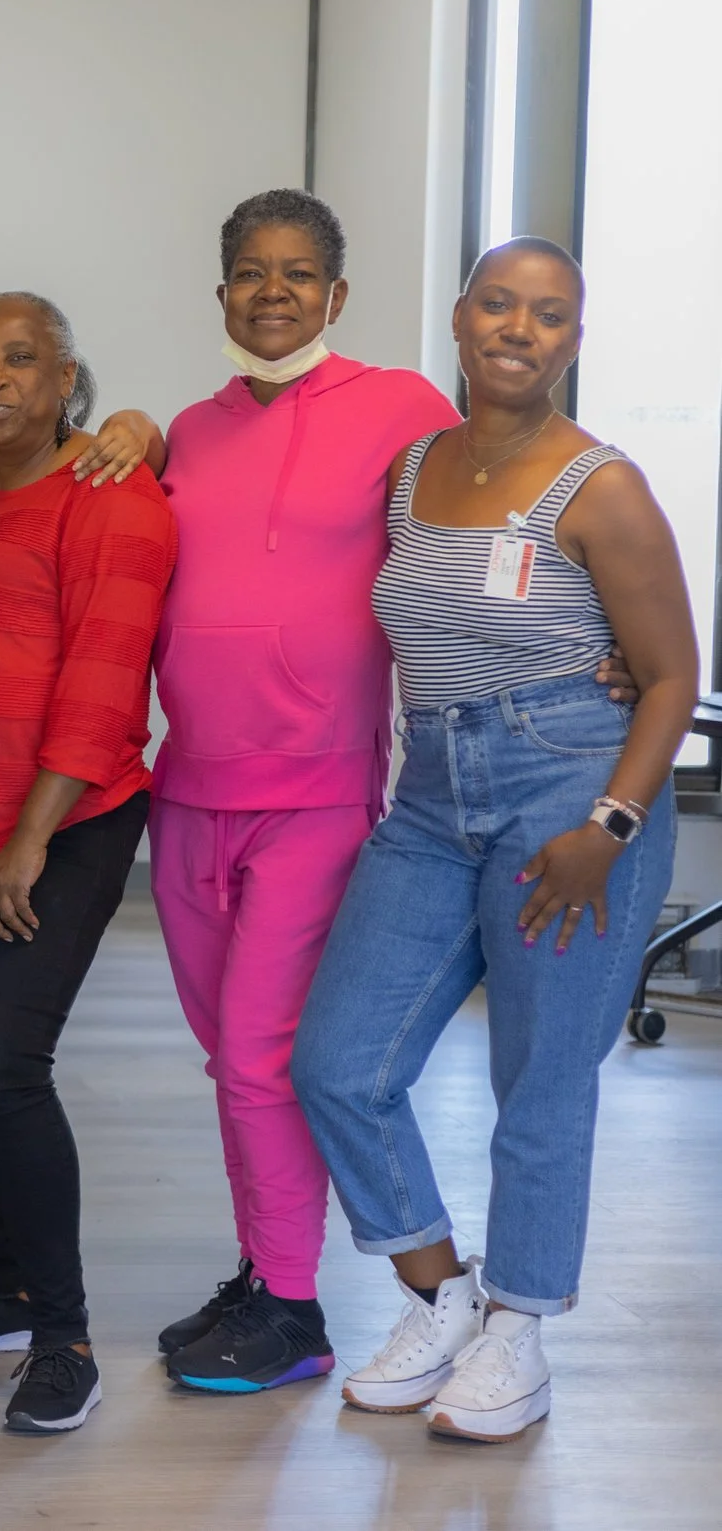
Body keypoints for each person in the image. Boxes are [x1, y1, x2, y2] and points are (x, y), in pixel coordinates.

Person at [294, 238, 694, 1443]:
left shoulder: (601, 485)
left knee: (540, 1077)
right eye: (499, 304)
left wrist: (607, 826)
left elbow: (672, 674)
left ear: (575, 338)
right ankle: (440, 1292)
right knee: (337, 1059)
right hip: (430, 794)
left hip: (569, 794)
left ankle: (518, 1326)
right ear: (460, 318)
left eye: (551, 314)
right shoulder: (414, 468)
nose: (520, 329)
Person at [134, 189, 463, 1393]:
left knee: (265, 1057)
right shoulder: (186, 427)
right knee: (230, 1056)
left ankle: (290, 1306)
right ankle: (263, 1263)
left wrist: (586, 638)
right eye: (248, 272)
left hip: (318, 790)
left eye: (296, 272)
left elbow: (482, 533)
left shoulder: (405, 410)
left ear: (337, 292)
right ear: (219, 288)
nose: (270, 292)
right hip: (188, 788)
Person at [0, 293, 174, 1437]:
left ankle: (62, 1336)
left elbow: (104, 681)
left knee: (4, 1060)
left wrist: (28, 837)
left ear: (67, 379)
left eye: (21, 360)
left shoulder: (113, 497)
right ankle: (2, 1287)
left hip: (56, 820)